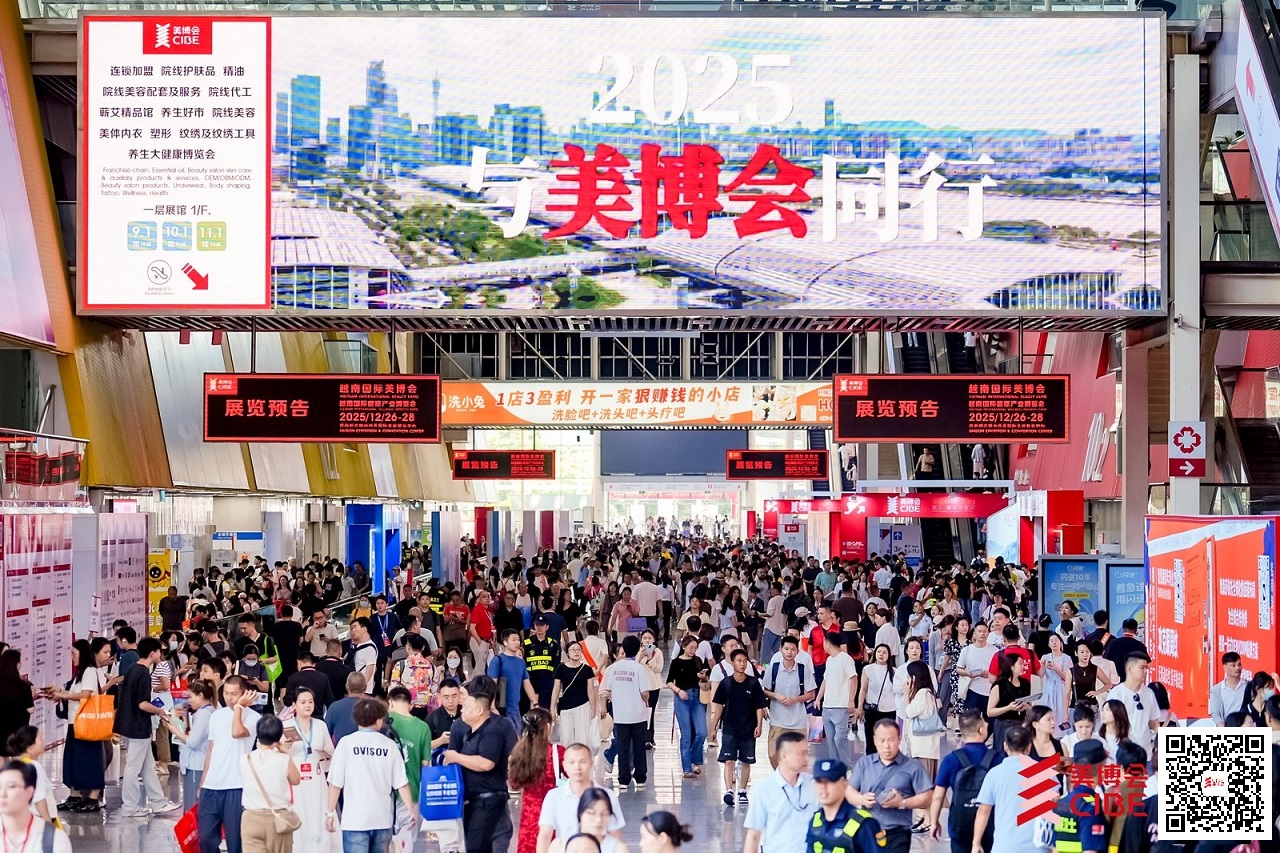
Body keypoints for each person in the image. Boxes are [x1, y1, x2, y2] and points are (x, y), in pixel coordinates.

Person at [326, 697, 418, 853]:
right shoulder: (389, 745)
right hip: (382, 819)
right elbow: (401, 783)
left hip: (354, 820)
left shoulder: (345, 743)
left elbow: (335, 783)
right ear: (379, 720)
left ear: (356, 719)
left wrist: (329, 813)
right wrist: (410, 810)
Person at [443, 678, 518, 853]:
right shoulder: (503, 724)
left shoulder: (485, 728)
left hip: (488, 797)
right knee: (491, 842)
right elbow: (514, 757)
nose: (463, 709)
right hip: (479, 797)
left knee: (484, 842)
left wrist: (456, 757)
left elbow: (484, 763)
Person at [115, 637, 181, 817]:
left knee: (148, 766)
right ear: (153, 653)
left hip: (129, 724)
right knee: (134, 767)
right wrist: (160, 711)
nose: (160, 654)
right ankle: (130, 807)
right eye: (159, 651)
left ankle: (158, 802)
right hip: (138, 726)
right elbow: (143, 704)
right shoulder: (143, 673)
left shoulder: (132, 669)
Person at [47, 638, 114, 813]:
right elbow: (76, 693)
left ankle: (92, 798)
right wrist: (57, 692)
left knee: (91, 761)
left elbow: (85, 695)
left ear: (82, 654)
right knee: (74, 761)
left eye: (73, 653)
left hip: (87, 723)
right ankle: (74, 796)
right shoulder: (80, 673)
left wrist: (63, 696)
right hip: (75, 722)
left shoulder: (90, 671)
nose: (71, 657)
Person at [848, 720, 933, 853]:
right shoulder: (864, 764)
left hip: (897, 833)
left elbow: (927, 797)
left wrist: (902, 803)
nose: (886, 745)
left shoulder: (912, 767)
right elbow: (849, 790)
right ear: (874, 740)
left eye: (891, 740)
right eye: (882, 740)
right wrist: (861, 799)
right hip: (868, 832)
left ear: (899, 739)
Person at [199, 675, 262, 853]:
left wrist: (240, 707)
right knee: (206, 839)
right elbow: (211, 749)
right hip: (211, 786)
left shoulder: (254, 718)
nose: (229, 698)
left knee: (236, 842)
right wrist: (203, 782)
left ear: (245, 694)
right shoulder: (216, 716)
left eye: (234, 694)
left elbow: (237, 732)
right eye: (226, 693)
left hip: (237, 786)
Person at [536, 743, 624, 853]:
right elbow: (545, 835)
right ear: (564, 765)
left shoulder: (608, 796)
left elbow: (614, 833)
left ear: (591, 763)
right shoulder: (554, 796)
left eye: (583, 762)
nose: (577, 767)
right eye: (572, 762)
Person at [928, 709, 995, 853]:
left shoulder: (951, 759)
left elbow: (938, 796)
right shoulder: (996, 758)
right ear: (981, 730)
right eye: (985, 723)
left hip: (959, 824)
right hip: (990, 824)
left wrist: (934, 822)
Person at [709, 648, 767, 807]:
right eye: (739, 661)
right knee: (729, 760)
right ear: (732, 663)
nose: (742, 664)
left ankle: (742, 791)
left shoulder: (753, 683)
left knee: (746, 761)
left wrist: (759, 725)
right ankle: (729, 790)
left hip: (748, 728)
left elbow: (759, 706)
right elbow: (719, 706)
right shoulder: (726, 683)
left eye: (745, 661)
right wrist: (713, 727)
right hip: (729, 727)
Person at [970, 724, 1040, 853]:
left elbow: (983, 811)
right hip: (1038, 847)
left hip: (1005, 846)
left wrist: (976, 842)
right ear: (1029, 747)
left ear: (1005, 746)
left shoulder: (995, 774)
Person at [743, 731, 816, 853]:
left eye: (807, 753)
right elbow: (753, 835)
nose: (806, 758)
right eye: (801, 753)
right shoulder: (764, 790)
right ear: (784, 756)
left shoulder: (814, 785)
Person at [285, 688, 337, 853]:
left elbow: (331, 752)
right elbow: (277, 756)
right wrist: (284, 748)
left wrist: (324, 755)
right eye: (303, 702)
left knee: (318, 811)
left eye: (310, 702)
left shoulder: (320, 725)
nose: (307, 705)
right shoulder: (285, 726)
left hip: (316, 775)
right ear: (294, 705)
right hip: (295, 777)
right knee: (298, 811)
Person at [240, 715, 301, 853]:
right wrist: (285, 751)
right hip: (277, 819)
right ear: (278, 736)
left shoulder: (245, 759)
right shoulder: (283, 760)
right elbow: (296, 779)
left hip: (251, 817)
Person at [509, 708, 564, 853]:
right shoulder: (557, 752)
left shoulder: (520, 752)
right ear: (548, 727)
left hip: (529, 816)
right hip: (553, 814)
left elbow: (514, 784)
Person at [808, 758, 890, 853]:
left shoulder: (865, 824)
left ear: (844, 784)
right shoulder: (815, 821)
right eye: (819, 781)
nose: (823, 787)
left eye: (830, 781)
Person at [600, 635, 651, 790]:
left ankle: (623, 779)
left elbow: (607, 689)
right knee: (639, 746)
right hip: (638, 714)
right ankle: (640, 777)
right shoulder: (639, 668)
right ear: (637, 650)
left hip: (620, 714)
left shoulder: (614, 668)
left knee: (623, 747)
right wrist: (645, 700)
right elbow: (645, 693)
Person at [386, 686, 432, 853]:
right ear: (410, 705)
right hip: (410, 791)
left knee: (384, 841)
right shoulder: (422, 727)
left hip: (384, 791)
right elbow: (425, 763)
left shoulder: (383, 721)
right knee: (406, 843)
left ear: (390, 702)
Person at [761, 636, 817, 770]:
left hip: (798, 721)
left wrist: (794, 700)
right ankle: (782, 775)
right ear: (780, 649)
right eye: (786, 649)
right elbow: (765, 691)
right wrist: (776, 696)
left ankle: (792, 778)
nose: (789, 652)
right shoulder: (773, 669)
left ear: (797, 651)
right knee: (773, 754)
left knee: (799, 756)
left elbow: (811, 694)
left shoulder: (803, 670)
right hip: (777, 721)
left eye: (792, 649)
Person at [0, 761, 71, 853]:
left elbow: (40, 799)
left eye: (11, 786)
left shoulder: (55, 840)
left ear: (29, 792)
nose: (3, 794)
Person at [665, 636, 708, 777]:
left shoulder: (697, 660)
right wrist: (678, 691)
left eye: (695, 648)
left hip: (697, 697)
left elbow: (703, 680)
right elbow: (669, 681)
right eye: (691, 648)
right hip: (682, 698)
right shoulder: (676, 662)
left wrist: (703, 677)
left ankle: (693, 759)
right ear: (684, 646)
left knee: (702, 732)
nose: (693, 650)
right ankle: (687, 767)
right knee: (686, 734)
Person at [551, 640, 600, 753]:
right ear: (567, 653)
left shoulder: (587, 669)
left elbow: (591, 691)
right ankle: (567, 759)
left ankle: (582, 758)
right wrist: (552, 707)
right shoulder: (561, 668)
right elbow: (556, 689)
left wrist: (593, 710)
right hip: (565, 706)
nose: (576, 652)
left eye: (578, 649)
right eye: (573, 650)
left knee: (582, 737)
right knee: (566, 737)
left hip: (583, 705)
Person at [547, 788, 630, 853]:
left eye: (604, 814)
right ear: (580, 813)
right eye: (591, 813)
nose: (598, 819)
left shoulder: (619, 849)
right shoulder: (559, 846)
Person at [488, 630, 539, 733]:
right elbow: (491, 684)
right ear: (505, 642)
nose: (517, 642)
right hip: (502, 708)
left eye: (518, 640)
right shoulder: (498, 660)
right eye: (514, 640)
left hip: (516, 710)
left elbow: (527, 684)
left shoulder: (521, 662)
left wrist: (535, 703)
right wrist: (492, 707)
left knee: (517, 737)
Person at [900, 660, 942, 782]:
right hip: (924, 748)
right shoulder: (926, 692)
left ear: (914, 677)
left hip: (923, 749)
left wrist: (906, 694)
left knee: (923, 784)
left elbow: (909, 712)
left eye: (909, 676)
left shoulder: (922, 694)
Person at [1109, 654, 1158, 754]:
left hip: (1146, 752)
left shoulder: (1149, 693)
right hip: (1123, 753)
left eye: (1146, 668)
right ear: (1130, 669)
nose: (1145, 671)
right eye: (1142, 668)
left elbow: (1154, 723)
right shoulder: (1116, 694)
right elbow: (1110, 725)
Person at [853, 643, 895, 755]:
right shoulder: (868, 669)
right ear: (875, 653)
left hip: (890, 710)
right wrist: (860, 707)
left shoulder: (894, 671)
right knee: (871, 741)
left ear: (889, 656)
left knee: (887, 741)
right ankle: (872, 763)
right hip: (872, 711)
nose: (881, 654)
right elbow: (863, 689)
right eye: (879, 652)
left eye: (885, 652)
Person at [987, 654, 1032, 757]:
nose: (1023, 666)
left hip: (1021, 723)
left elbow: (1030, 706)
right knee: (1003, 754)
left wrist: (1027, 707)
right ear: (1011, 666)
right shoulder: (1000, 685)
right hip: (1003, 724)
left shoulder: (1025, 684)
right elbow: (990, 712)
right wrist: (1009, 708)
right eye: (1020, 663)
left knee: (1021, 754)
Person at [7, 728, 54, 826]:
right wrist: (49, 824)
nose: (43, 741)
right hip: (36, 822)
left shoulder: (15, 764)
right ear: (30, 747)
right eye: (40, 738)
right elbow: (39, 799)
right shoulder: (34, 767)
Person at [956, 623, 997, 717]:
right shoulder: (966, 650)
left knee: (990, 721)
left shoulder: (995, 651)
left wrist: (990, 674)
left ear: (988, 633)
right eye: (980, 631)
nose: (982, 634)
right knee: (971, 720)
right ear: (974, 633)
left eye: (985, 631)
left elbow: (1001, 670)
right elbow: (958, 668)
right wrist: (968, 673)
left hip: (990, 691)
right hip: (973, 689)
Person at [283, 651, 336, 717]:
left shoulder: (294, 678)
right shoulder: (323, 678)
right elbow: (330, 702)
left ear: (299, 662)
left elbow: (287, 702)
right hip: (318, 718)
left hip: (300, 718)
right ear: (313, 664)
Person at [636, 629, 664, 747]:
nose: (647, 640)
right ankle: (640, 736)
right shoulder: (638, 651)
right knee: (640, 712)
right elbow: (634, 666)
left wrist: (649, 659)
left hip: (653, 686)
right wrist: (640, 656)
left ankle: (649, 738)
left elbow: (659, 669)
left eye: (649, 638)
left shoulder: (658, 652)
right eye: (644, 638)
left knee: (650, 712)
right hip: (640, 686)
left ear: (654, 639)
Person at [0, 652, 33, 751]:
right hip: (19, 731)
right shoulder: (23, 686)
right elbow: (31, 709)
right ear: (17, 664)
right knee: (18, 756)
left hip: (2, 731)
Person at [326, 673, 367, 745]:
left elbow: (326, 733)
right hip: (366, 749)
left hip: (341, 749)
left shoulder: (334, 707)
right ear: (365, 687)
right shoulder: (374, 707)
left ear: (346, 686)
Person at [1210, 651, 1248, 725]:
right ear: (1225, 667)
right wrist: (1222, 726)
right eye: (1233, 665)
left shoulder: (1248, 686)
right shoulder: (1216, 690)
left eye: (1239, 664)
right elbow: (1215, 713)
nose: (1237, 668)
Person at [427, 678, 464, 751]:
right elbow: (423, 746)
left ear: (460, 694)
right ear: (439, 696)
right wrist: (441, 741)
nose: (450, 701)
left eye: (454, 696)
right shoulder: (433, 718)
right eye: (446, 697)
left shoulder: (467, 713)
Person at [346, 618, 379, 695]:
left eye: (355, 627)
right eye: (351, 629)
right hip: (355, 690)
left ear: (364, 629)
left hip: (362, 692)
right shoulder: (356, 647)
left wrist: (361, 688)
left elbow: (370, 670)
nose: (352, 631)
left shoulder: (369, 648)